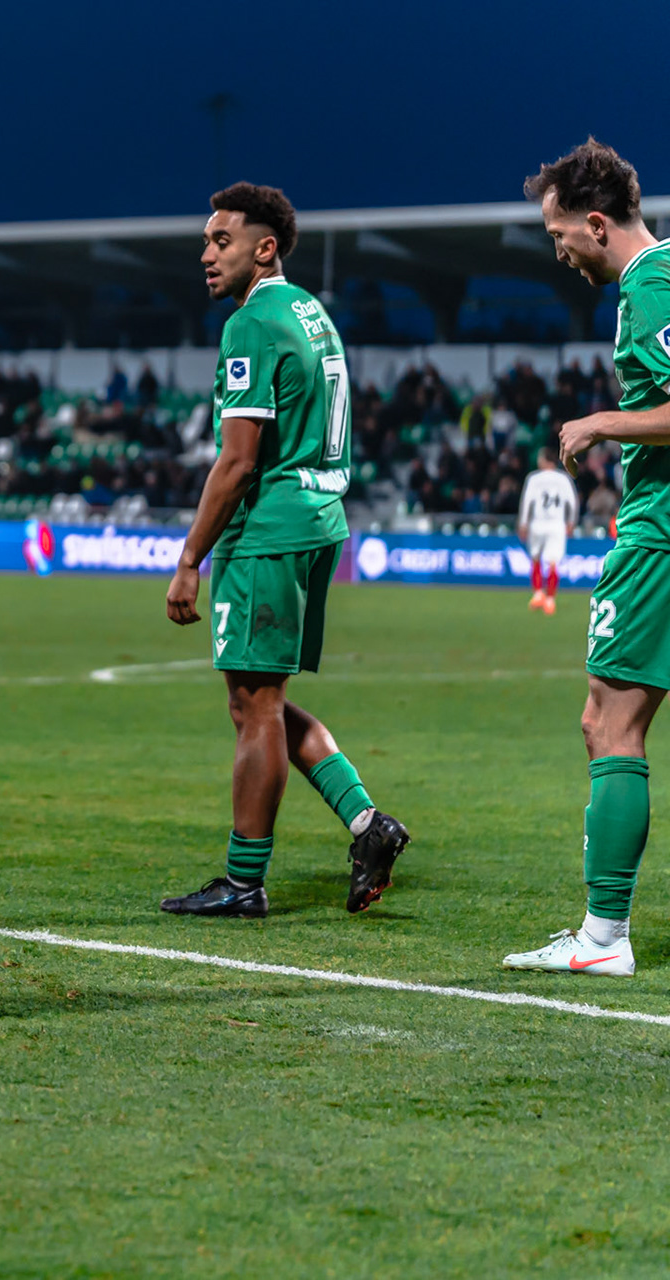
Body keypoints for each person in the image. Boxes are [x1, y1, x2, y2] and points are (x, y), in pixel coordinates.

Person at [161, 182, 409, 918]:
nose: (207, 255)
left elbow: (238, 461)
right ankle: (367, 823)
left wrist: (189, 560)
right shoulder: (312, 313)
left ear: (264, 248)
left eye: (222, 240)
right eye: (206, 242)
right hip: (319, 519)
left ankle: (244, 882)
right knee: (261, 700)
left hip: (269, 531)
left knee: (254, 708)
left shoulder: (252, 324)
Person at [505, 139, 670, 976]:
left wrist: (602, 422)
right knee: (606, 718)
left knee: (609, 722)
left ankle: (603, 940)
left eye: (559, 234)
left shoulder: (651, 285)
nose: (559, 250)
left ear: (596, 224)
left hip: (661, 532)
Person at [519, 447, 578, 614]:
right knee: (553, 563)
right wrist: (571, 522)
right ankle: (550, 600)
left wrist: (523, 523)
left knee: (535, 558)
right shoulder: (563, 478)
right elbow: (572, 501)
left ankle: (538, 593)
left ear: (544, 460)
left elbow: (526, 502)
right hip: (557, 524)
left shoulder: (533, 478)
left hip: (537, 523)